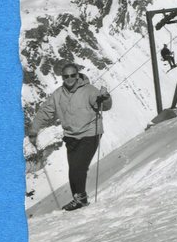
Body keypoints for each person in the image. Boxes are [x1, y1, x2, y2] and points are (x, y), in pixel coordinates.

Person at [26, 63, 112, 211]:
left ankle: (81, 199)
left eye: (73, 75)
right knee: (73, 169)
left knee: (77, 168)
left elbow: (104, 104)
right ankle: (78, 198)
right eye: (66, 76)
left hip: (90, 133)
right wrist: (34, 130)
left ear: (77, 75)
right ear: (62, 77)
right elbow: (45, 112)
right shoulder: (58, 94)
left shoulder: (89, 90)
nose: (70, 78)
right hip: (71, 136)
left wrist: (105, 98)